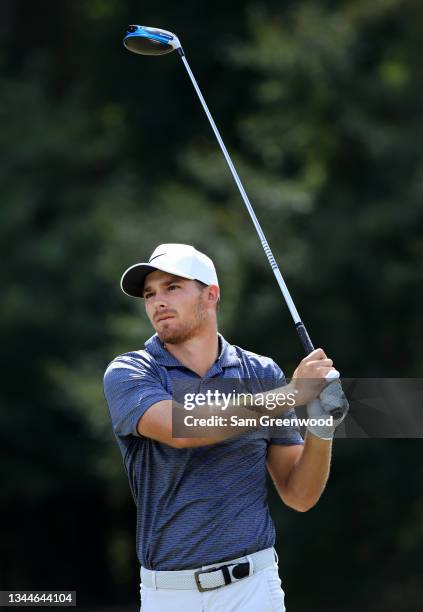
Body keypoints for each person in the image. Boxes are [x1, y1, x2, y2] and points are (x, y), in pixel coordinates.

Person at [103, 243, 347, 612]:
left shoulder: (260, 374)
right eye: (150, 294)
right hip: (169, 594)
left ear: (211, 295)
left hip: (254, 590)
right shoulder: (131, 371)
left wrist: (322, 425)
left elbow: (299, 494)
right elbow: (183, 427)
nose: (157, 302)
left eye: (172, 288)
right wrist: (290, 395)